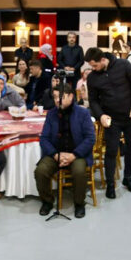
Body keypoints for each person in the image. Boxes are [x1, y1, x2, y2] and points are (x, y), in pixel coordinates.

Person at [85, 47, 131, 198]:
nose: (93, 68)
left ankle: (127, 178)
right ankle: (110, 183)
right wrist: (101, 115)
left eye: (95, 65)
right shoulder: (92, 78)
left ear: (103, 60)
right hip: (111, 120)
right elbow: (93, 101)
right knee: (111, 151)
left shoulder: (124, 65)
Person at [34, 83, 95, 218]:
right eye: (55, 97)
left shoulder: (83, 113)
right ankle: (47, 201)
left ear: (71, 96)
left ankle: (79, 203)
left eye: (60, 97)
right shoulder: (51, 114)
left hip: (77, 153)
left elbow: (90, 138)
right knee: (40, 171)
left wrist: (74, 155)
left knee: (79, 172)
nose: (57, 100)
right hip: (56, 153)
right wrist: (55, 155)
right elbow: (44, 138)